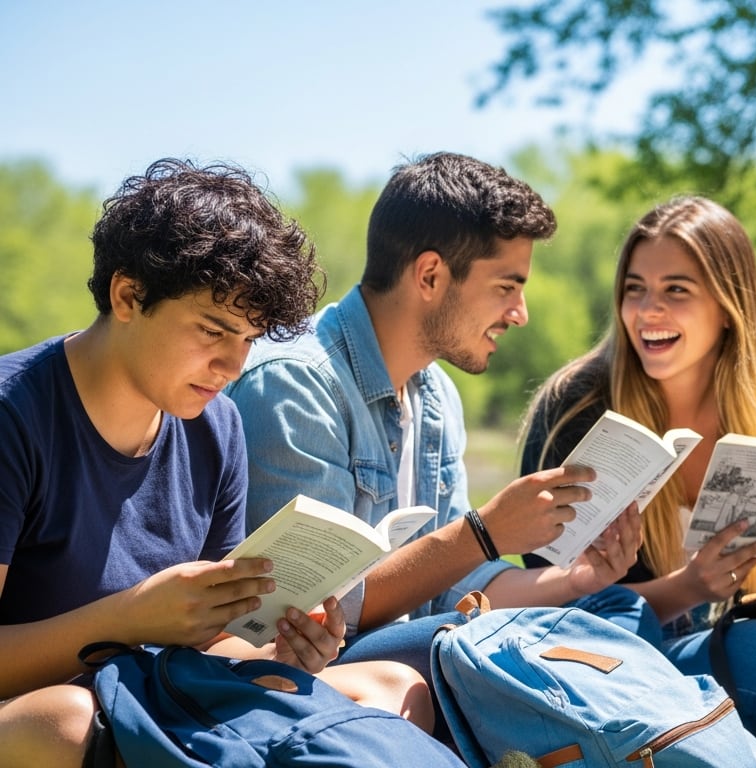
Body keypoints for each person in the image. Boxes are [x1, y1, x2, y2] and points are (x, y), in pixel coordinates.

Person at [0, 159, 433, 766]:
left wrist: (284, 650)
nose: (233, 368)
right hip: (45, 717)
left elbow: (211, 649)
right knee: (69, 723)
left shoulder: (217, 424)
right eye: (212, 331)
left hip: (155, 702)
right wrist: (128, 620)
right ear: (128, 295)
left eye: (248, 341)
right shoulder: (13, 416)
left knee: (391, 683)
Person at [226, 152, 647, 691]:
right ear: (429, 275)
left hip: (418, 649)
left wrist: (577, 578)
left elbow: (460, 583)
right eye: (506, 287)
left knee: (613, 605)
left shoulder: (436, 394)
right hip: (326, 674)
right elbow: (314, 609)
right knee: (473, 643)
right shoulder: (296, 385)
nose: (521, 313)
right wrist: (485, 532)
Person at [501, 195, 756, 747]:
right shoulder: (576, 409)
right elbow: (556, 607)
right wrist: (687, 588)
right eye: (635, 289)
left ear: (728, 305)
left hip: (736, 636)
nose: (647, 310)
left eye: (675, 291)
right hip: (607, 661)